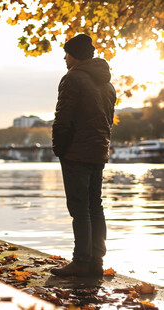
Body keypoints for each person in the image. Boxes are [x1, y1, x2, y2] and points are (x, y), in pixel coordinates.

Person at [51, 34, 116, 277]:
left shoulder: (73, 78)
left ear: (75, 55)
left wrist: (60, 148)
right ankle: (95, 262)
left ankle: (80, 261)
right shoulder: (107, 84)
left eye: (67, 53)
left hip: (76, 151)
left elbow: (63, 118)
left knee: (79, 208)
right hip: (98, 150)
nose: (64, 58)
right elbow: (108, 120)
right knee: (94, 206)